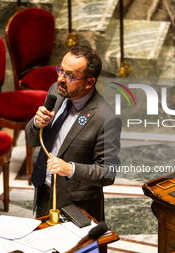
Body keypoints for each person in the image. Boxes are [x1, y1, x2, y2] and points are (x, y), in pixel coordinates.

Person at [25, 45, 122, 221]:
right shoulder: (56, 91)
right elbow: (31, 140)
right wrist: (37, 123)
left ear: (89, 82)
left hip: (76, 207)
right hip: (43, 193)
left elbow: (108, 172)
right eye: (60, 70)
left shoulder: (105, 117)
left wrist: (70, 169)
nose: (61, 79)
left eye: (70, 75)